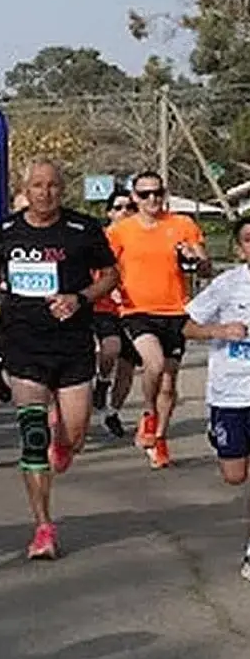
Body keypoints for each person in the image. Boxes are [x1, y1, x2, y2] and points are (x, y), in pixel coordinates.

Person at [0, 159, 118, 560]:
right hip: (23, 343)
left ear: (64, 188)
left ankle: (65, 439)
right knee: (33, 439)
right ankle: (43, 527)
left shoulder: (83, 229)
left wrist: (79, 299)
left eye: (53, 186)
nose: (46, 193)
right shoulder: (6, 229)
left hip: (72, 343)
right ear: (26, 188)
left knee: (74, 436)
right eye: (38, 186)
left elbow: (110, 275)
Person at [107, 169, 210, 469]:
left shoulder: (182, 224)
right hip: (136, 310)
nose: (152, 199)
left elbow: (204, 268)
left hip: (176, 311)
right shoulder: (121, 231)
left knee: (169, 382)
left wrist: (197, 257)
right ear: (135, 198)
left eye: (157, 193)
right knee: (153, 364)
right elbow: (104, 267)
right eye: (144, 194)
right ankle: (149, 414)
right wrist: (110, 289)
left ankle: (160, 438)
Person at [182, 215, 250, 576]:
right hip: (230, 393)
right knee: (235, 475)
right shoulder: (227, 286)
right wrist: (221, 330)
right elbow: (186, 325)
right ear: (240, 249)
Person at [92, 191, 140, 441]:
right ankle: (101, 381)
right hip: (103, 305)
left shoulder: (141, 237)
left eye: (130, 207)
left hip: (134, 308)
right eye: (119, 207)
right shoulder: (101, 238)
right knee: (111, 347)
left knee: (128, 364)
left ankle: (112, 412)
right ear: (109, 212)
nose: (125, 212)